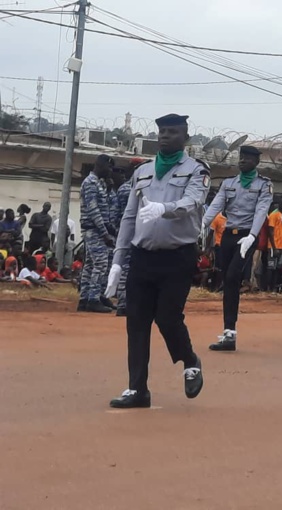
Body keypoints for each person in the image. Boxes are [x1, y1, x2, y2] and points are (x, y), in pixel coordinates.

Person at [105, 113, 208, 408]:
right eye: (162, 131)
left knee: (167, 317)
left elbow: (193, 202)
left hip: (177, 257)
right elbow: (129, 217)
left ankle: (190, 361)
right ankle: (137, 389)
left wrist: (165, 208)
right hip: (142, 256)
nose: (165, 136)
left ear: (185, 137)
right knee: (136, 322)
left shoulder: (196, 170)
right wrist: (117, 260)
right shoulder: (143, 171)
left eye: (172, 132)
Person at [203, 145, 273, 352]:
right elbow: (215, 206)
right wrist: (200, 225)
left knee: (233, 277)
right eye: (241, 158)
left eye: (248, 158)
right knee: (228, 280)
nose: (242, 161)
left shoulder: (263, 185)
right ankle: (228, 333)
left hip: (246, 236)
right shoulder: (228, 183)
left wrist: (252, 236)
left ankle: (230, 331)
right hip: (227, 236)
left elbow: (261, 210)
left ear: (256, 162)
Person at [78, 154, 115, 313]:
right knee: (100, 263)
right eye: (109, 167)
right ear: (100, 165)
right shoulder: (91, 183)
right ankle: (93, 299)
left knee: (91, 265)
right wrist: (105, 233)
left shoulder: (99, 183)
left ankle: (85, 299)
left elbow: (104, 207)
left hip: (95, 229)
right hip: (94, 230)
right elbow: (94, 211)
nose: (110, 171)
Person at [113, 158, 142, 317]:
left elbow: (117, 214)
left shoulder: (123, 188)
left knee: (123, 266)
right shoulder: (139, 188)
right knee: (130, 269)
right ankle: (125, 303)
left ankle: (123, 302)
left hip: (123, 233)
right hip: (137, 233)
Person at [267, 201, 282, 293]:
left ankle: (275, 287)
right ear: (279, 205)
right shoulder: (274, 215)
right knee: (271, 267)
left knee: (278, 268)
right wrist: (274, 247)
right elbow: (270, 231)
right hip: (273, 246)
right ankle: (268, 288)